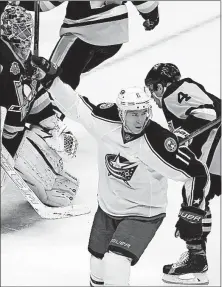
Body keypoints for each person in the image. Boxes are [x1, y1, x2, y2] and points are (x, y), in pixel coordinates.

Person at [46, 76, 211, 285]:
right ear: (121, 113)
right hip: (108, 208)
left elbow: (196, 173)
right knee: (98, 266)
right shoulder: (105, 123)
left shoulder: (158, 142)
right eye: (133, 114)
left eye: (144, 112)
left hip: (143, 212)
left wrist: (192, 211)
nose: (140, 119)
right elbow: (76, 105)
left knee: (116, 263)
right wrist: (50, 80)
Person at [144, 63, 221, 285]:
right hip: (216, 160)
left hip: (213, 158)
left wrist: (181, 134)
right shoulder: (183, 93)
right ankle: (197, 256)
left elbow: (208, 113)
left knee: (193, 200)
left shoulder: (174, 91)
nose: (154, 97)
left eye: (152, 89)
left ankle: (196, 260)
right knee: (200, 202)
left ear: (161, 85)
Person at [0, 4, 79, 208]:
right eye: (19, 29)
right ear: (6, 31)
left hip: (13, 137)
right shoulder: (3, 62)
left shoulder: (27, 63)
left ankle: (51, 180)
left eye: (27, 29)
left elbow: (34, 98)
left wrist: (55, 126)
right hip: (5, 139)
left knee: (40, 142)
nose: (25, 36)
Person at [17, 0, 159, 91]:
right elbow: (147, 4)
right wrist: (152, 17)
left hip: (83, 33)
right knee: (68, 76)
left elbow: (44, 4)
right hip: (115, 39)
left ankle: (48, 125)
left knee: (55, 80)